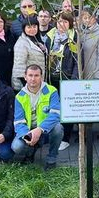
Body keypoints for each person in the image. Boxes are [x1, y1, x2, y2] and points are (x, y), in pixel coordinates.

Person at [11, 64, 64, 170]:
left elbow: (55, 114)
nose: (33, 79)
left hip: (45, 129)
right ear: (25, 77)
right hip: (28, 130)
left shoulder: (51, 91)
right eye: (30, 75)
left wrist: (39, 130)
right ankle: (30, 152)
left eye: (36, 75)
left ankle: (51, 159)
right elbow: (18, 122)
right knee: (16, 146)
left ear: (41, 77)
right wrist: (27, 135)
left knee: (58, 128)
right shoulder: (19, 96)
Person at [46, 12, 78, 150]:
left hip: (66, 77)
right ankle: (53, 135)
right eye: (60, 21)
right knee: (53, 107)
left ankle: (65, 138)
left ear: (70, 24)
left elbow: (78, 61)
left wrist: (74, 79)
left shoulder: (74, 38)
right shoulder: (50, 36)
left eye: (65, 22)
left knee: (66, 109)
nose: (62, 24)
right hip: (51, 78)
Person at [12, 16, 48, 91]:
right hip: (27, 84)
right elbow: (19, 68)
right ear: (24, 28)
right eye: (29, 27)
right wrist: (28, 87)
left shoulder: (36, 40)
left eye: (34, 26)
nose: (32, 29)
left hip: (38, 82)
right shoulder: (22, 43)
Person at [79, 8, 99, 79]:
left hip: (93, 72)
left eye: (90, 18)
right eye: (85, 18)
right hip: (80, 71)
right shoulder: (80, 32)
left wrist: (98, 76)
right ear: (81, 19)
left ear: (95, 18)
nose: (88, 20)